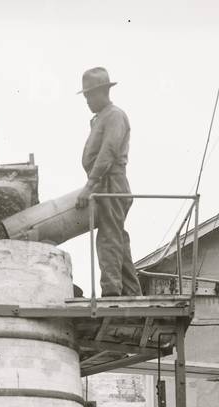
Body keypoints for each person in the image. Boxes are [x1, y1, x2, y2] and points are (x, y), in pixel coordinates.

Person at [74, 66, 143, 298]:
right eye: (85, 96)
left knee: (108, 238)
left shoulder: (114, 115)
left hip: (111, 184)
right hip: (106, 183)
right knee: (117, 237)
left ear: (102, 92)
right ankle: (132, 292)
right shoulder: (100, 118)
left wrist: (90, 186)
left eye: (89, 95)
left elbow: (108, 151)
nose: (87, 101)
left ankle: (112, 293)